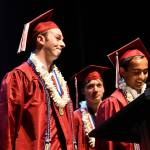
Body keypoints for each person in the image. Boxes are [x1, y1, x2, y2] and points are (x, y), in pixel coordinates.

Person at [0, 9, 77, 150]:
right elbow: (7, 129)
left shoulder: (60, 83)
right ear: (41, 39)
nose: (63, 44)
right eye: (58, 38)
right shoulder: (20, 77)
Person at [95, 37, 149, 150]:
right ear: (122, 72)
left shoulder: (146, 98)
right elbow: (107, 145)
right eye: (136, 72)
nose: (142, 77)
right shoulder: (111, 104)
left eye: (145, 72)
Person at [72, 65, 109, 150]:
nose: (95, 90)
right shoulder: (76, 117)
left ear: (104, 89)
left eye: (99, 85)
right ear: (82, 91)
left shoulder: (111, 112)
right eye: (90, 86)